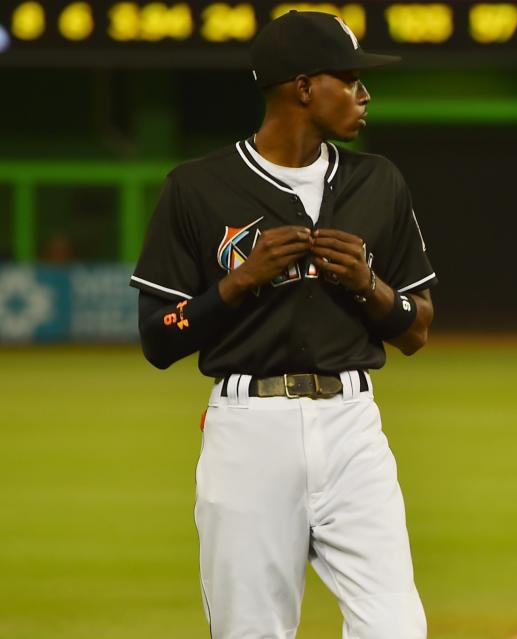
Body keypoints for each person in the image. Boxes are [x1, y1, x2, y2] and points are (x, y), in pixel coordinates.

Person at [129, 11, 435, 639]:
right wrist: (238, 282)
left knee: (396, 628)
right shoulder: (197, 188)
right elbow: (159, 337)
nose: (364, 93)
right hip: (248, 432)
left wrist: (367, 285)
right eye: (349, 79)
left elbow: (416, 329)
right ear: (302, 87)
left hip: (353, 429)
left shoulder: (379, 181)